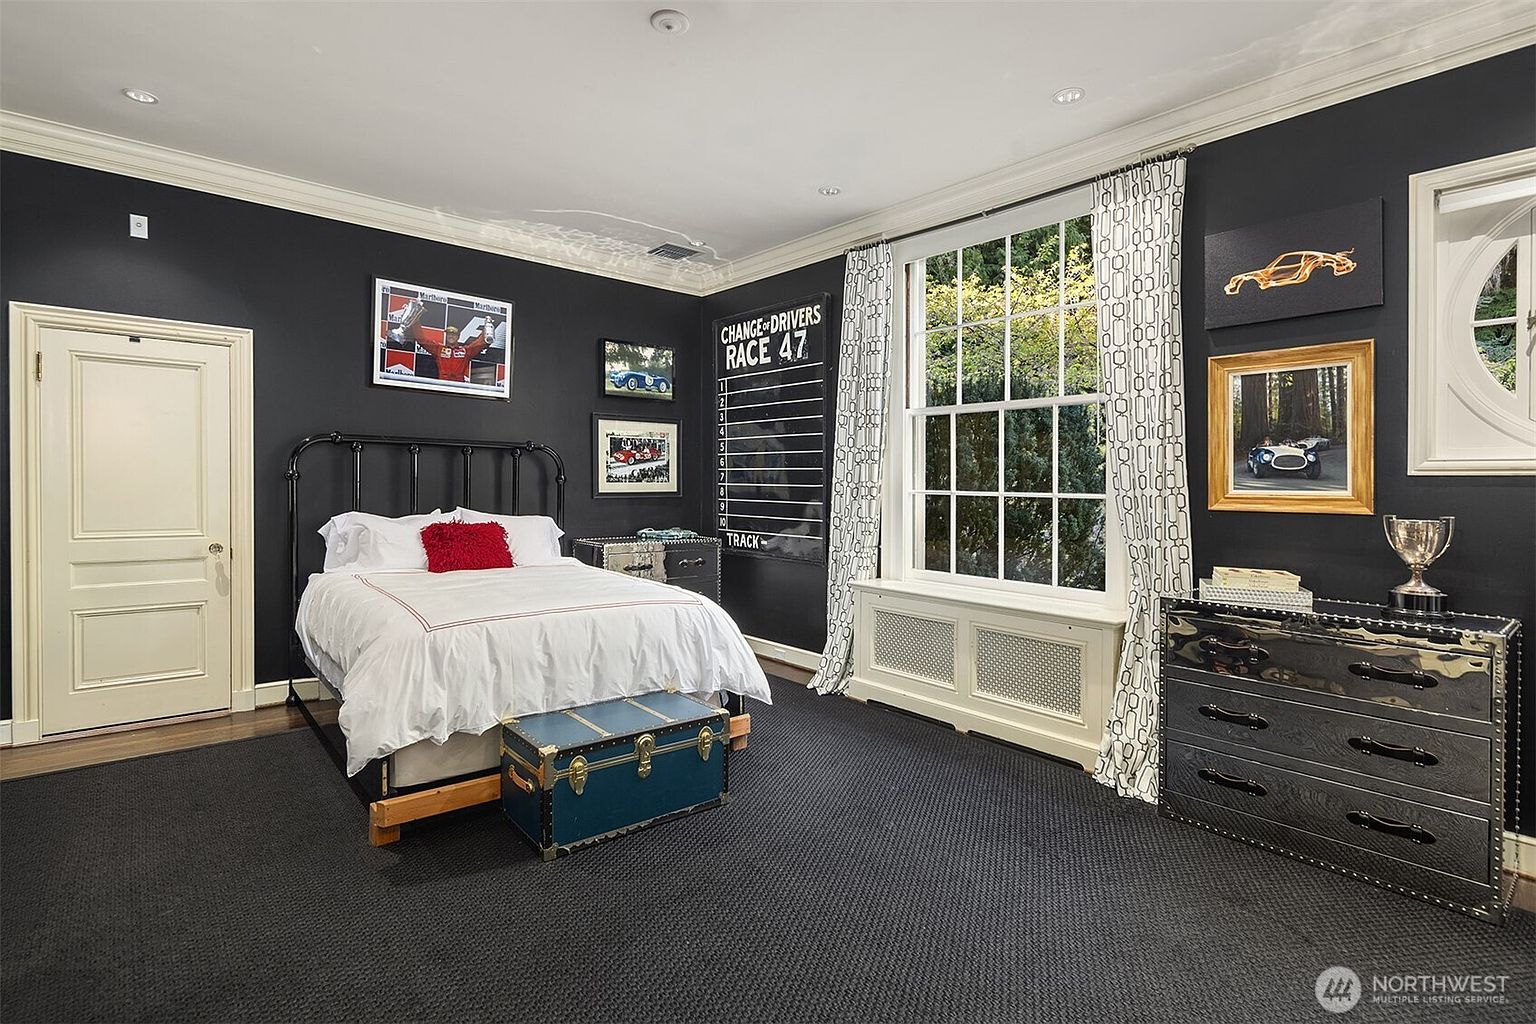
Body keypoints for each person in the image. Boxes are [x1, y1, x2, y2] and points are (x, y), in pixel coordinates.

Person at [423, 324, 491, 383]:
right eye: (449, 334)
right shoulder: (439, 349)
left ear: (458, 337)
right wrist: (416, 322)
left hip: (458, 385)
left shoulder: (465, 351)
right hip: (443, 384)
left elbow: (479, 344)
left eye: (454, 334)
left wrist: (487, 329)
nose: (451, 336)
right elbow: (423, 341)